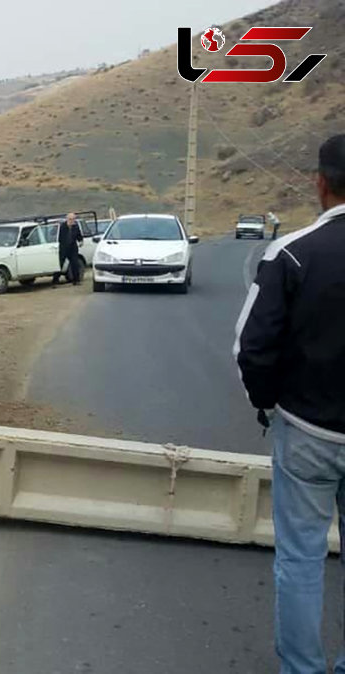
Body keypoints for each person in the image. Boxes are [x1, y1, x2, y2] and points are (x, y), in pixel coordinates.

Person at [235, 134, 345, 674]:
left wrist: (267, 403)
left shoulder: (290, 253)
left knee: (301, 558)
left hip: (307, 431)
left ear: (321, 184)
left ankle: (303, 669)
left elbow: (251, 347)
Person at [57, 212, 84, 285]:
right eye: (70, 219)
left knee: (74, 263)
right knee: (60, 263)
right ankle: (55, 279)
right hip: (63, 248)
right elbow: (59, 237)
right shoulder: (62, 226)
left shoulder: (76, 226)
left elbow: (79, 235)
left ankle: (76, 280)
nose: (72, 221)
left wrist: (81, 241)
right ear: (67, 219)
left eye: (73, 219)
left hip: (73, 248)